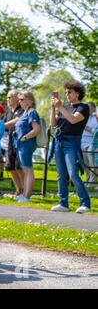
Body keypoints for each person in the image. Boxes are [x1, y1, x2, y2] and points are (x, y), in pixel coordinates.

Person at [49, 80, 91, 213]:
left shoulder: (83, 107)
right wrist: (53, 108)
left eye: (70, 92)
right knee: (61, 175)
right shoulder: (64, 107)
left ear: (78, 93)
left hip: (71, 143)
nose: (67, 95)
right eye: (66, 92)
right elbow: (53, 124)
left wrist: (60, 107)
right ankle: (63, 203)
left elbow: (73, 119)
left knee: (73, 173)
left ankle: (85, 203)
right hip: (59, 141)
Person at [10, 91, 41, 203]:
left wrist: (25, 137)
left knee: (28, 170)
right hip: (21, 145)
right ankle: (24, 195)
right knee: (26, 170)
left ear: (29, 101)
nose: (19, 102)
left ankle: (26, 196)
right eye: (19, 99)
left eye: (22, 99)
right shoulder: (25, 113)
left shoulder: (32, 112)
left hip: (26, 144)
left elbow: (37, 129)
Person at [3, 90, 25, 196]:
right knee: (10, 167)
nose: (7, 99)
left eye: (9, 97)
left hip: (20, 142)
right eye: (7, 97)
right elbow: (2, 124)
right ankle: (18, 189)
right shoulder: (8, 112)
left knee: (19, 167)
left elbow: (17, 120)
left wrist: (1, 126)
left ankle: (24, 189)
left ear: (16, 98)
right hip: (9, 143)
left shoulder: (21, 110)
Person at [80, 102, 98, 187]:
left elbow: (96, 132)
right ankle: (87, 180)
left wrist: (89, 129)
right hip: (83, 143)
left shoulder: (96, 118)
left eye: (90, 108)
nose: (88, 110)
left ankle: (93, 182)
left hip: (92, 143)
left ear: (94, 108)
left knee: (92, 163)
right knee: (85, 164)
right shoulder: (84, 117)